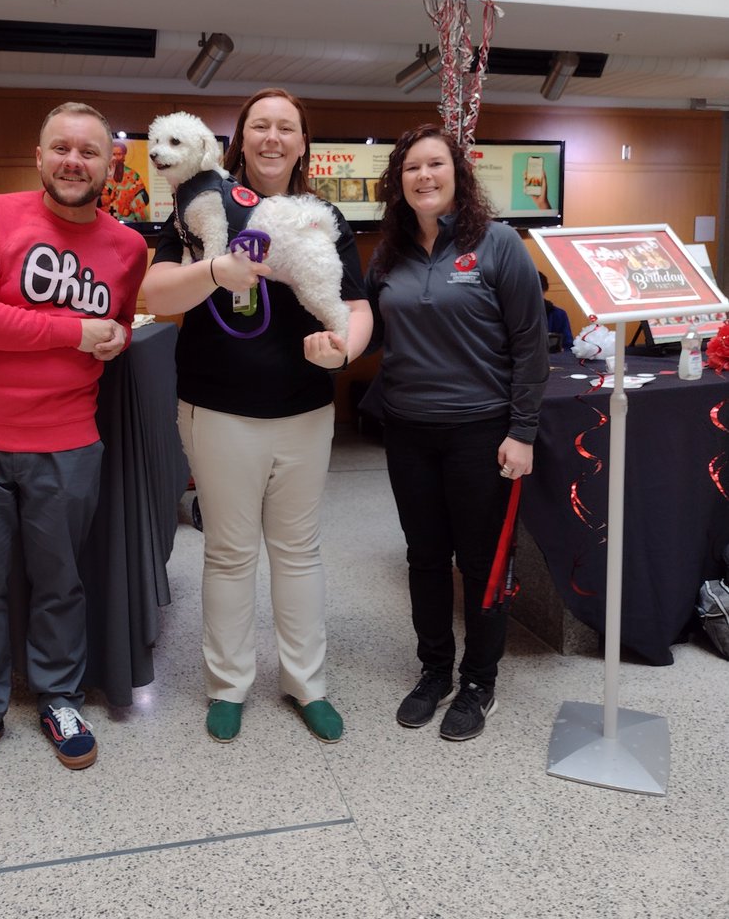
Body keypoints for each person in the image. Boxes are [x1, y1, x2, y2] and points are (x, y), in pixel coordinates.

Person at [143, 88, 372, 744]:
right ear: (240, 140)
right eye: (260, 127)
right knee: (231, 553)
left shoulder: (323, 215)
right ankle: (228, 685)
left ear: (303, 144)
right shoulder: (201, 205)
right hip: (217, 410)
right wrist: (216, 269)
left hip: (304, 412)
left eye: (287, 128)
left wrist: (343, 350)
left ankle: (307, 684)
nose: (273, 138)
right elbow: (155, 295)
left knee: (299, 553)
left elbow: (356, 308)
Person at [0, 101, 147, 784]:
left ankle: (59, 699)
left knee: (60, 584)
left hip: (66, 440)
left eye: (89, 152)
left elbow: (114, 329)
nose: (74, 161)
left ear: (109, 167)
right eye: (62, 147)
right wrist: (73, 332)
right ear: (39, 156)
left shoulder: (128, 248)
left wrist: (113, 339)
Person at [365, 123, 548, 742]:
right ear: (399, 182)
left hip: (482, 434)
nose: (424, 176)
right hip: (409, 432)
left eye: (435, 165)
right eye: (411, 167)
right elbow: (370, 328)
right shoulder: (387, 253)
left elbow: (531, 346)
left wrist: (522, 431)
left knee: (481, 563)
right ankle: (435, 670)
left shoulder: (497, 245)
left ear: (457, 174)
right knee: (423, 558)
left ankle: (479, 681)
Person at [100, 139, 150, 223]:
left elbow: (144, 196)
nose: (116, 158)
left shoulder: (132, 175)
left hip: (128, 220)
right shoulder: (101, 174)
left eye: (119, 154)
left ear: (124, 155)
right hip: (104, 221)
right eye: (113, 154)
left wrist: (129, 207)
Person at [539, 270, 573, 351]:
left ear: (544, 291)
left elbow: (568, 345)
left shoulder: (558, 314)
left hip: (553, 360)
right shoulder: (513, 313)